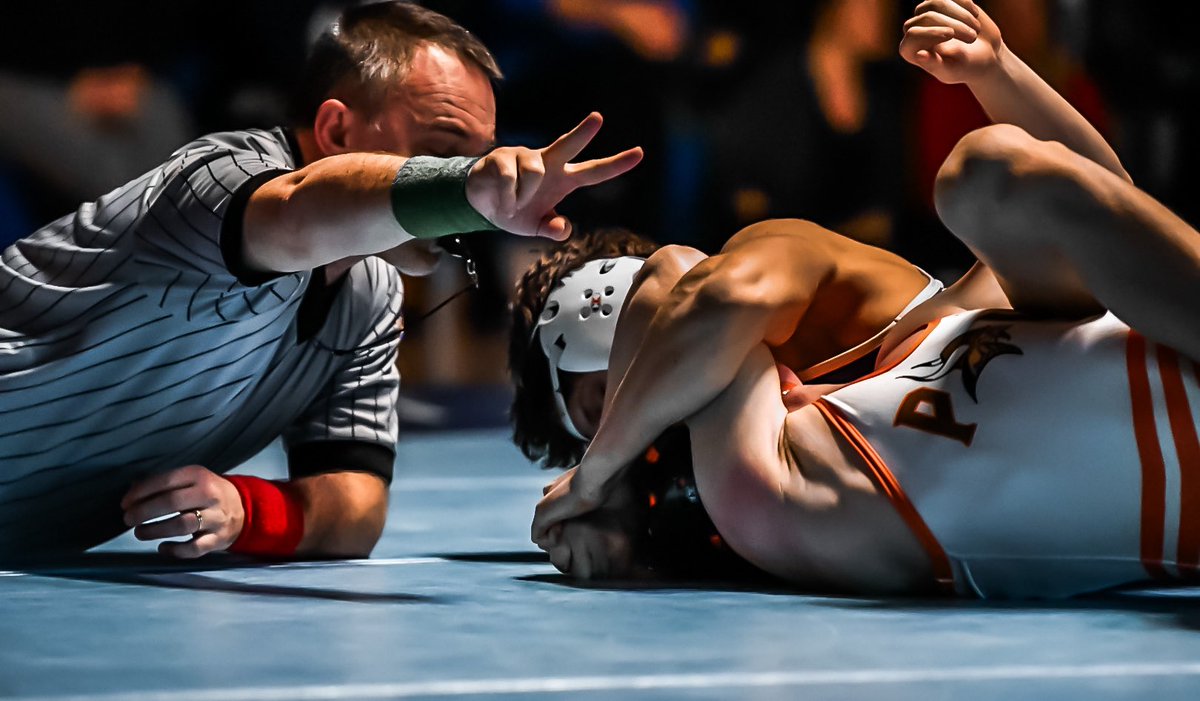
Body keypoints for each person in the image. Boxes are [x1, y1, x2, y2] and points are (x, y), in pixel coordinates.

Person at [527, 0, 1200, 596]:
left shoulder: (919, 308)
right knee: (986, 172)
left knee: (984, 170)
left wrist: (999, 72)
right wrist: (605, 487)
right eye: (600, 402)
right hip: (1126, 457)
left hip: (1160, 366)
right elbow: (688, 287)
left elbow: (1104, 205)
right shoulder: (781, 481)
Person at [0, 2, 642, 560]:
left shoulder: (370, 297)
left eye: (481, 156)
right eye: (446, 149)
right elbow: (305, 210)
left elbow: (355, 502)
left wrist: (250, 511)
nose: (470, 181)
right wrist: (466, 189)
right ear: (336, 130)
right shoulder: (215, 182)